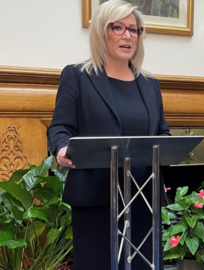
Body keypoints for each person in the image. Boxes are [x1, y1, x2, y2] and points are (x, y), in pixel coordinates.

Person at [47, 1, 170, 269]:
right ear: (102, 32)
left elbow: (162, 133)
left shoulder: (149, 84)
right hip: (96, 197)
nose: (128, 35)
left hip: (143, 199)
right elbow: (59, 127)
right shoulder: (77, 76)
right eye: (119, 28)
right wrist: (61, 147)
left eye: (134, 30)